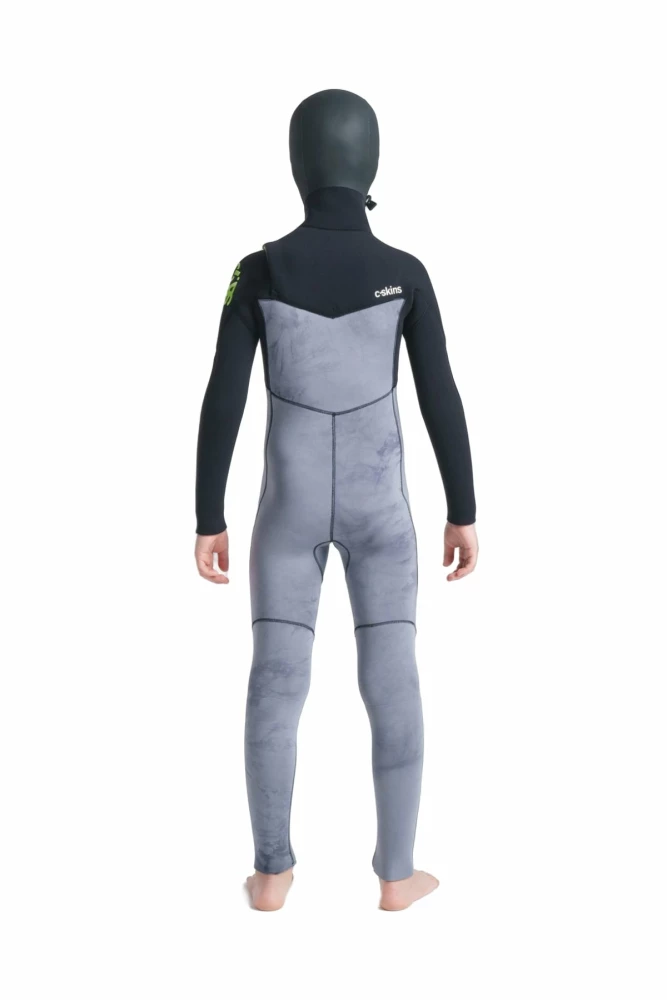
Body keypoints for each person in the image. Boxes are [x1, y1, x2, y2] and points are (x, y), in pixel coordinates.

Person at [195, 89, 478, 911]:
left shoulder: (256, 271)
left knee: (275, 680)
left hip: (284, 515)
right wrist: (462, 508)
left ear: (298, 166)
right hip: (380, 512)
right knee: (392, 679)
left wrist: (208, 517)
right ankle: (396, 876)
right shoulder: (406, 274)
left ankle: (271, 874)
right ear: (370, 165)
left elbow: (221, 398)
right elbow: (440, 395)